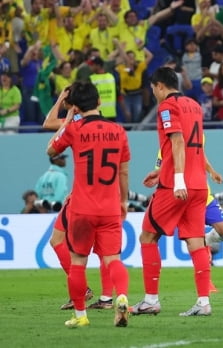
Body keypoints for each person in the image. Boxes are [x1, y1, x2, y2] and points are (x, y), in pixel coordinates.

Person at [47, 81, 130, 328]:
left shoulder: (75, 129)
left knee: (77, 263)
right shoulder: (119, 131)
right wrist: (123, 200)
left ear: (77, 106)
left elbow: (50, 150)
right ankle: (122, 297)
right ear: (99, 102)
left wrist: (69, 116)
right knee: (113, 259)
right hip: (110, 207)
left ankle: (81, 316)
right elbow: (124, 172)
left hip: (81, 208)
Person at [131, 67, 213, 317]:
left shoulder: (167, 106)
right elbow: (190, 145)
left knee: (147, 237)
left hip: (176, 185)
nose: (153, 92)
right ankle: (203, 303)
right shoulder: (194, 105)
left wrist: (177, 179)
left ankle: (151, 300)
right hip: (199, 184)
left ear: (158, 85)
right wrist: (162, 169)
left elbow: (177, 141)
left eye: (152, 88)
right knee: (196, 242)